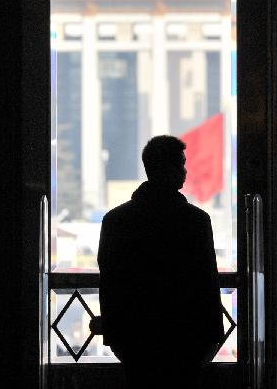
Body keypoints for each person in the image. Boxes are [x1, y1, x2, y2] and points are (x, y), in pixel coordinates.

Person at [98, 135, 224, 389]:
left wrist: (115, 335)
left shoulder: (116, 220)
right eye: (180, 164)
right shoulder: (196, 221)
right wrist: (213, 336)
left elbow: (110, 282)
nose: (184, 171)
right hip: (185, 338)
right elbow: (206, 282)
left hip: (135, 338)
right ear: (167, 169)